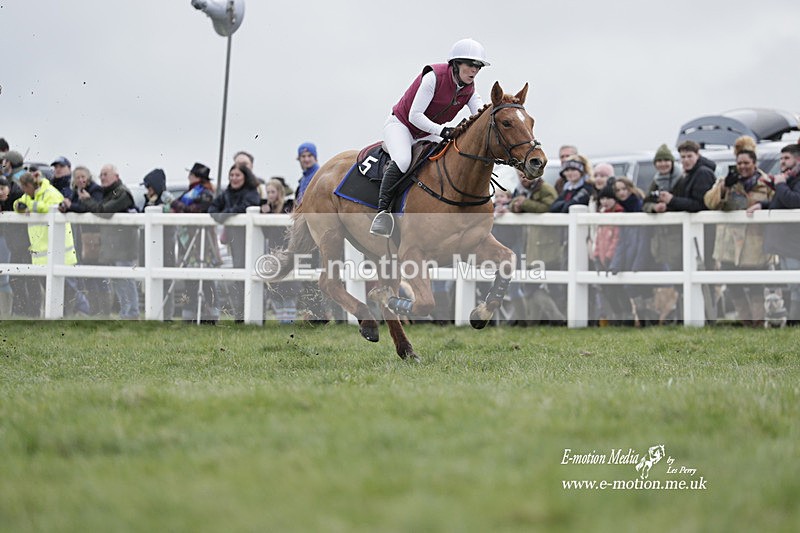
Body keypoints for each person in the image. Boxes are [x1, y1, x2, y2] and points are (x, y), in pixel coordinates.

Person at [370, 38, 489, 237]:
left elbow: (481, 116)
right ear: (456, 64)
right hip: (401, 126)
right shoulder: (434, 77)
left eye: (477, 67)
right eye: (470, 65)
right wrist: (442, 131)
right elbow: (414, 116)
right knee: (403, 160)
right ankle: (383, 213)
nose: (474, 71)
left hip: (427, 133)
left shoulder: (469, 89)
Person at [704, 136, 774, 327]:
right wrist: (725, 186)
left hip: (754, 242)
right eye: (739, 163)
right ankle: (746, 322)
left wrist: (762, 204)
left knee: (755, 286)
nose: (742, 167)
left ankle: (759, 323)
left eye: (746, 163)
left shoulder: (765, 183)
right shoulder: (725, 181)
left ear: (754, 163)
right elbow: (710, 202)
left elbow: (776, 203)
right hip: (728, 243)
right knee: (733, 285)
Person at [72, 164, 140, 319]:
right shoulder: (109, 193)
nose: (102, 177)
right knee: (119, 282)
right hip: (114, 247)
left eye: (105, 174)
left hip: (124, 247)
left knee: (126, 281)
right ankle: (126, 313)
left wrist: (88, 200)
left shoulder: (122, 192)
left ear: (116, 176)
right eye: (101, 174)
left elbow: (104, 212)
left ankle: (131, 314)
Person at [13, 172, 79, 317]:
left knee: (67, 293)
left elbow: (49, 208)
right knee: (52, 293)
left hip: (61, 253)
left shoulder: (51, 193)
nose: (23, 192)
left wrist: (29, 205)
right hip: (41, 255)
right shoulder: (30, 196)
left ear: (30, 185)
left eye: (24, 188)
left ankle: (74, 317)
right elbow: (17, 204)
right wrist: (22, 206)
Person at [748, 143, 800, 324]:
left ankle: (795, 321)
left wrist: (780, 185)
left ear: (798, 159)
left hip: (794, 242)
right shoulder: (787, 179)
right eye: (781, 158)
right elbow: (781, 203)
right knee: (789, 284)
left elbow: (795, 201)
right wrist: (762, 205)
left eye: (786, 158)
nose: (782, 162)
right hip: (784, 242)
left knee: (796, 285)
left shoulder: (788, 180)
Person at [509, 169, 564, 324]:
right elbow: (513, 202)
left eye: (526, 175)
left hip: (547, 245)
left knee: (546, 286)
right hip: (532, 246)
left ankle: (557, 319)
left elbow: (550, 206)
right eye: (520, 176)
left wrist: (525, 204)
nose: (523, 179)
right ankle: (536, 321)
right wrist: (516, 205)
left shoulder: (545, 189)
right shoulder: (521, 190)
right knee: (530, 286)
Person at [208, 163, 261, 322]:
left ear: (245, 177)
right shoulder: (227, 193)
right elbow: (213, 208)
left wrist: (224, 215)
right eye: (232, 175)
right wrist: (222, 215)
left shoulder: (251, 193)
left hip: (251, 241)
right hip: (234, 241)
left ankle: (253, 314)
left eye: (237, 175)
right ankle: (239, 315)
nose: (234, 178)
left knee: (252, 276)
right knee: (238, 278)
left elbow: (244, 208)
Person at [171, 162, 221, 324]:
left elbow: (195, 209)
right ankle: (190, 313)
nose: (188, 177)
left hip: (202, 241)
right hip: (189, 241)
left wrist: (178, 206)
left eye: (191, 175)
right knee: (190, 278)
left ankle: (210, 314)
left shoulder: (206, 193)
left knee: (206, 279)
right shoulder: (190, 193)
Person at [60, 165, 105, 315]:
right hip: (84, 238)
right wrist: (67, 206)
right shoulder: (76, 191)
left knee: (99, 276)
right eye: (77, 178)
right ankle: (93, 310)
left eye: (83, 177)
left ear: (88, 177)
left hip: (96, 237)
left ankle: (103, 311)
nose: (80, 180)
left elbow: (86, 208)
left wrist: (71, 205)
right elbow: (74, 206)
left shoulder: (96, 190)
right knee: (88, 276)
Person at [261, 178, 298, 324]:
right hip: (272, 249)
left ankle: (289, 319)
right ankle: (281, 318)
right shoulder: (266, 209)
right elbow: (265, 233)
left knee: (289, 285)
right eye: (268, 192)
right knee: (275, 284)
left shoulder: (288, 206)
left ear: (279, 192)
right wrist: (265, 215)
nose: (270, 195)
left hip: (287, 248)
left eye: (273, 192)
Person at [142, 168, 176, 320]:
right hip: (152, 243)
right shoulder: (150, 199)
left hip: (166, 241)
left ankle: (167, 314)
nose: (147, 190)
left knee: (166, 279)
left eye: (149, 187)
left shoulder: (167, 198)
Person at [643, 144, 684, 271]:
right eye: (659, 161)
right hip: (663, 235)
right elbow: (645, 203)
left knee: (681, 267)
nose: (663, 164)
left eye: (666, 160)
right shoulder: (656, 181)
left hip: (681, 231)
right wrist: (655, 207)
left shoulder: (682, 179)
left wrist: (671, 202)